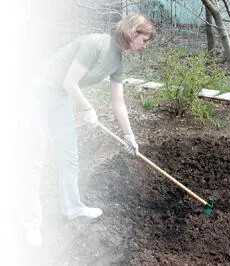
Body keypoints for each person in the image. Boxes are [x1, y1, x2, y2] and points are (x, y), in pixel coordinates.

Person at [20, 13, 156, 247]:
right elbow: (69, 81)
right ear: (133, 33)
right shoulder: (97, 44)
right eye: (144, 41)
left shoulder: (118, 62)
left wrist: (129, 135)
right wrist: (88, 108)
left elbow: (118, 101)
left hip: (61, 97)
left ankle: (72, 207)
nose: (144, 47)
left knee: (69, 154)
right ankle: (30, 223)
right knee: (36, 157)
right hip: (40, 91)